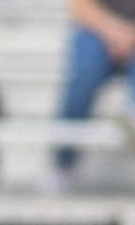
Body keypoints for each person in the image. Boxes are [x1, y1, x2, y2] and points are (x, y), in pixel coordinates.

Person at [54, 0, 135, 183]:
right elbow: (80, 7)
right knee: (85, 75)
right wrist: (115, 31)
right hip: (97, 31)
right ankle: (63, 163)